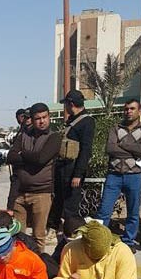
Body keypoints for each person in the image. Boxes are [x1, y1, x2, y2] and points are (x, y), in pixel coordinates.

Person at [96, 100, 141, 253]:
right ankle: (100, 240)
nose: (129, 111)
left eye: (132, 109)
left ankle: (128, 241)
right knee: (104, 211)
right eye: (126, 109)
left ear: (139, 111)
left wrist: (121, 144)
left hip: (134, 176)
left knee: (133, 212)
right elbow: (110, 148)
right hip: (114, 175)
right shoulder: (115, 128)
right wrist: (132, 150)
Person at [7, 103, 62, 252]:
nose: (42, 121)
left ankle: (37, 263)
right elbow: (10, 157)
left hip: (42, 193)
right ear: (32, 119)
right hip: (20, 193)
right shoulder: (24, 136)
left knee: (38, 236)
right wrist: (31, 158)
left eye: (45, 117)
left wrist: (22, 154)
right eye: (38, 118)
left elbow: (41, 159)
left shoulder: (54, 137)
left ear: (49, 117)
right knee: (17, 235)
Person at [48, 90, 95, 231]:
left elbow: (86, 150)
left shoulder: (87, 122)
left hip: (72, 170)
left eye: (66, 104)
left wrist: (78, 174)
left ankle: (70, 233)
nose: (65, 107)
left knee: (70, 206)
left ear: (71, 104)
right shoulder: (72, 120)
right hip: (62, 167)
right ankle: (55, 228)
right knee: (58, 202)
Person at [0, 210, 60, 279]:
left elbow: (34, 265)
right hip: (2, 278)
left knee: (45, 258)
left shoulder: (27, 242)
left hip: (24, 275)